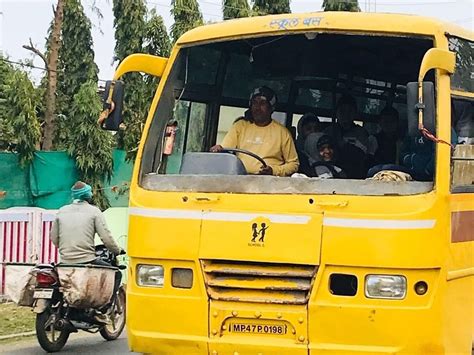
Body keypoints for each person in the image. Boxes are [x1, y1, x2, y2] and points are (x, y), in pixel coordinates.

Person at [50, 181, 124, 323]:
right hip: (86, 260)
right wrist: (117, 250)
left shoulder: (62, 210)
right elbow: (106, 237)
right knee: (116, 273)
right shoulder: (94, 211)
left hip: (65, 261)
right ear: (88, 195)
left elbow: (54, 238)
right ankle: (103, 308)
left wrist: (65, 249)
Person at [210, 86, 299, 176]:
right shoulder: (240, 126)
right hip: (240, 179)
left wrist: (273, 171)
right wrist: (219, 149)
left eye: (262, 103)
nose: (257, 107)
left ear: (271, 108)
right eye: (254, 103)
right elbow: (225, 151)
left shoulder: (282, 133)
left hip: (269, 182)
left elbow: (293, 164)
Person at [324, 94, 369, 178]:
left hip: (354, 176)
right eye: (342, 111)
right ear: (336, 113)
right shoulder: (328, 131)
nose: (346, 115)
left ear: (355, 113)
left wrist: (341, 144)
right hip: (329, 174)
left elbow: (359, 155)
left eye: (350, 111)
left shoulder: (361, 132)